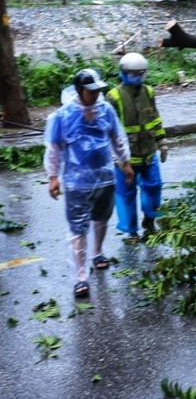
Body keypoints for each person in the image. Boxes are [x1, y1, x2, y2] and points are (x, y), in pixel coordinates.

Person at [44, 69, 135, 298]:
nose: (95, 95)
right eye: (90, 91)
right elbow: (53, 149)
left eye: (97, 90)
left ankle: (98, 252)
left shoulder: (106, 111)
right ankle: (81, 276)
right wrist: (53, 177)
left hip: (104, 177)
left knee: (102, 216)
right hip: (76, 182)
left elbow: (117, 138)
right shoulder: (63, 116)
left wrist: (126, 163)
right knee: (78, 227)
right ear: (79, 90)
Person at [105, 53, 169, 243]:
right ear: (123, 73)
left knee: (154, 188)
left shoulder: (148, 92)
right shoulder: (113, 96)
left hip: (148, 154)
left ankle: (150, 221)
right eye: (133, 73)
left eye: (140, 73)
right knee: (127, 196)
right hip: (126, 160)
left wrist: (162, 141)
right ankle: (131, 231)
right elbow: (108, 131)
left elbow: (155, 119)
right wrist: (116, 158)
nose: (137, 77)